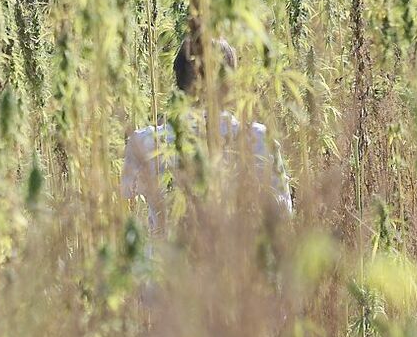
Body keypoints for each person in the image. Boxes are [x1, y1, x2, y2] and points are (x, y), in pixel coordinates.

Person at [121, 37, 293, 229]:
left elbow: (127, 193)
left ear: (178, 84)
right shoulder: (257, 139)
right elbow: (282, 213)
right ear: (229, 85)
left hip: (166, 256)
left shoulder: (144, 142)